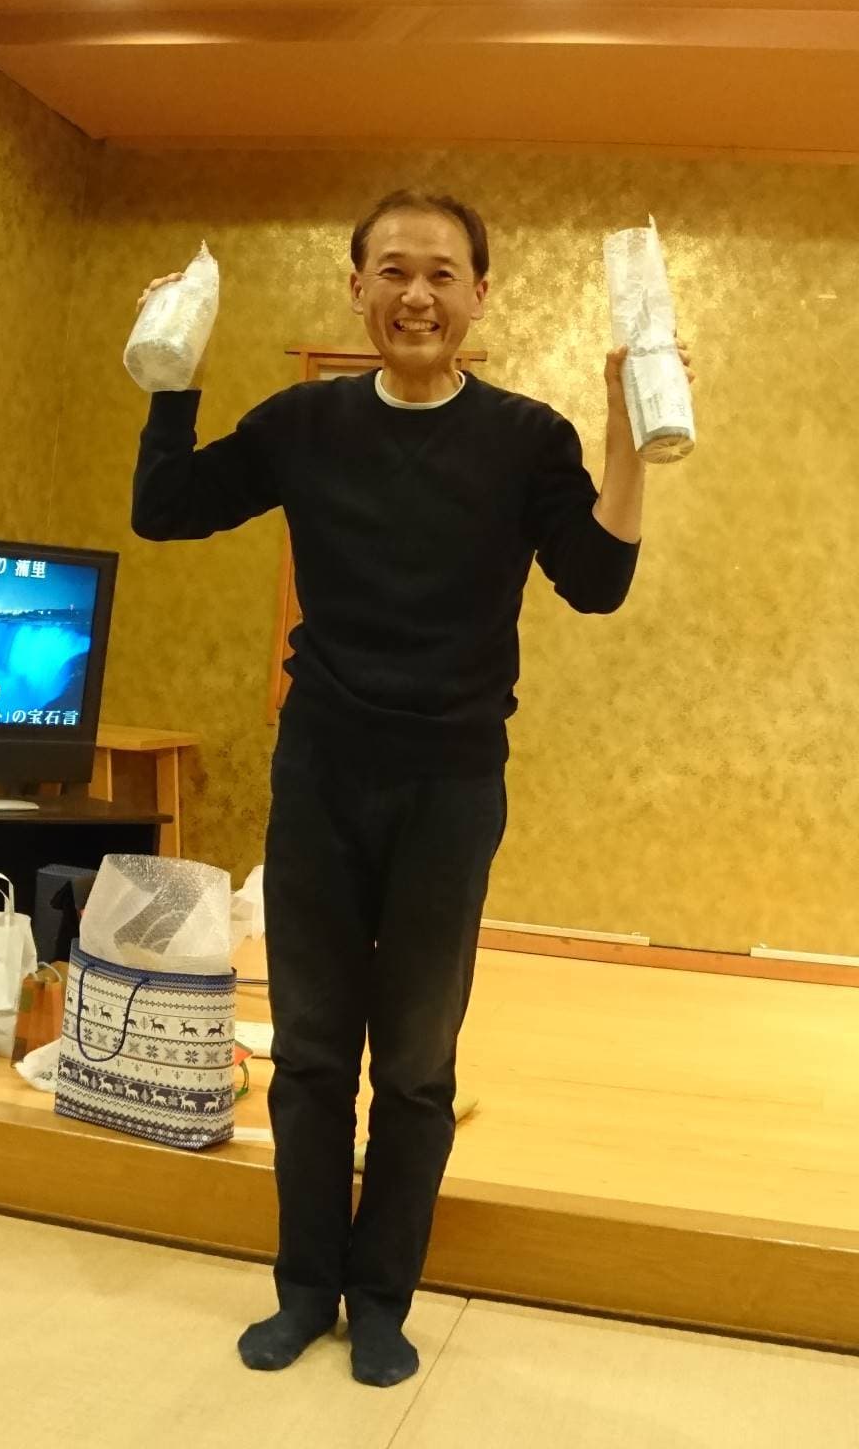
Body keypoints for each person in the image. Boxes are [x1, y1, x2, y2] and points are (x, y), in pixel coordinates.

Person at [131, 189, 694, 1389]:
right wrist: (171, 374)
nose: (416, 295)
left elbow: (596, 581)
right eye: (392, 270)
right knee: (312, 1053)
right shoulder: (306, 423)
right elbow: (166, 510)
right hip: (321, 772)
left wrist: (621, 428)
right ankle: (304, 1289)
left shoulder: (526, 438)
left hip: (451, 784)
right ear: (357, 289)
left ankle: (382, 1299)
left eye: (441, 273)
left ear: (479, 294)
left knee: (419, 1065)